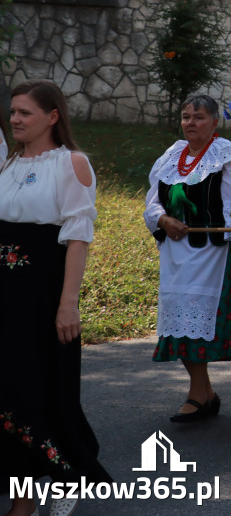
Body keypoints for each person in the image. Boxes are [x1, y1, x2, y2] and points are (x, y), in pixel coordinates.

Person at [0, 80, 112, 516]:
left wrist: (69, 304)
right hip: (6, 298)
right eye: (12, 112)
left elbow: (77, 238)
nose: (15, 120)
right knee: (7, 392)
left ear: (52, 117)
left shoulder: (72, 164)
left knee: (34, 390)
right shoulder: (7, 164)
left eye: (24, 113)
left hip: (41, 297)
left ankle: (47, 486)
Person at [145, 95, 231, 422]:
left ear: (214, 123)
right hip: (176, 255)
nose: (191, 123)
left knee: (201, 326)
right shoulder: (172, 155)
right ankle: (202, 392)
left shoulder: (227, 157)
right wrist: (164, 221)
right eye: (186, 116)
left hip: (212, 255)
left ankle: (199, 395)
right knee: (180, 324)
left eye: (199, 117)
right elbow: (152, 203)